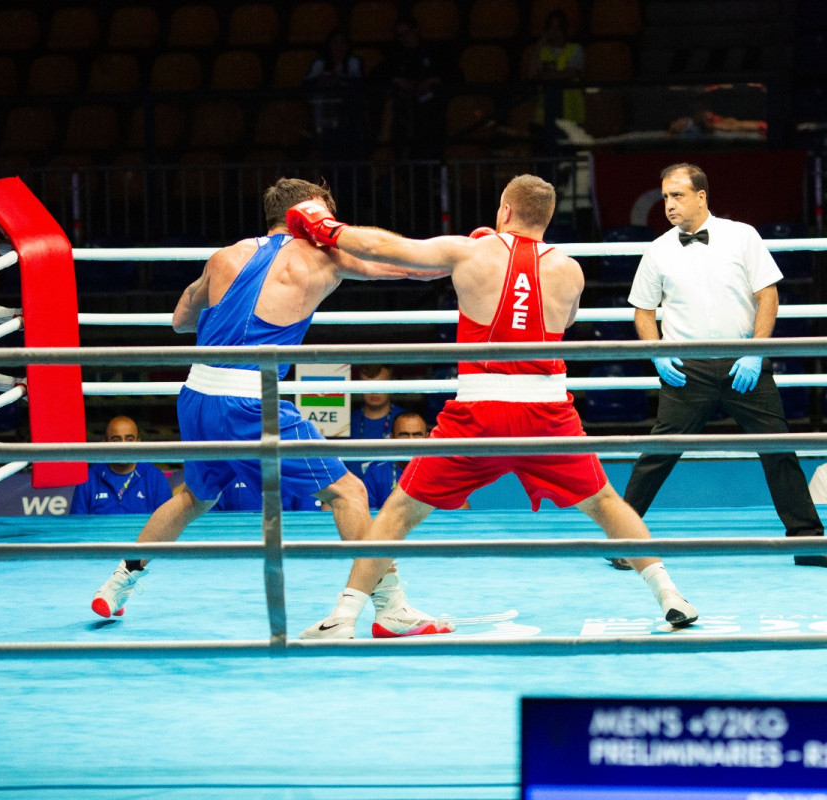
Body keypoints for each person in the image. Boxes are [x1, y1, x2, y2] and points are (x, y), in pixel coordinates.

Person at [287, 173, 699, 639]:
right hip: (546, 414)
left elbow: (390, 249)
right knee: (606, 502)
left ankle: (343, 619)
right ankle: (670, 594)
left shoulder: (473, 251)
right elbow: (564, 320)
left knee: (399, 511)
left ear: (504, 210)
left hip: (479, 415)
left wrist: (326, 229)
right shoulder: (570, 269)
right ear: (547, 218)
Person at [90, 177, 447, 630]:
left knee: (195, 497)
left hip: (198, 394)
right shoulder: (323, 255)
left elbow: (181, 320)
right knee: (348, 492)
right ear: (314, 216)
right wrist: (467, 254)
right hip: (249, 401)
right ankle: (389, 606)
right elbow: (416, 267)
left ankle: (118, 582)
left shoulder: (225, 256)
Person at [619, 162, 827, 570]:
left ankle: (808, 542)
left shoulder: (742, 236)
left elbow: (768, 296)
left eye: (677, 195)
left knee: (779, 450)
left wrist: (756, 352)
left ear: (701, 196)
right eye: (665, 197)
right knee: (658, 454)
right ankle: (623, 542)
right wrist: (656, 352)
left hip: (744, 361)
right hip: (687, 367)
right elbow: (643, 310)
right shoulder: (658, 249)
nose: (669, 205)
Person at [69, 415, 173, 515]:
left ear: (138, 443)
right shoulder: (89, 478)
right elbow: (76, 526)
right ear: (105, 444)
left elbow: (168, 522)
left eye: (129, 439)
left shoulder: (155, 477)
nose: (123, 446)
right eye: (116, 440)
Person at [377, 15, 445, 159]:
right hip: (404, 121)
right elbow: (378, 75)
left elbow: (451, 74)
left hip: (431, 117)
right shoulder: (395, 55)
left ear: (416, 31)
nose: (403, 38)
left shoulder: (432, 51)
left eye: (406, 33)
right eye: (399, 35)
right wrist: (397, 81)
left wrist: (431, 81)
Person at [522, 9, 585, 147]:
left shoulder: (575, 49)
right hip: (543, 117)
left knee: (568, 162)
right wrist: (539, 46)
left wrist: (544, 76)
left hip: (570, 116)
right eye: (551, 26)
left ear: (565, 29)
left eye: (558, 27)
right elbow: (532, 75)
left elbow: (570, 74)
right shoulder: (542, 51)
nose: (555, 31)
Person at [303, 29, 365, 160]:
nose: (339, 47)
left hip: (350, 118)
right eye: (335, 43)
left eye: (342, 43)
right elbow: (307, 84)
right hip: (324, 117)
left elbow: (360, 83)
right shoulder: (320, 64)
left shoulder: (353, 62)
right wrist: (322, 81)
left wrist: (339, 79)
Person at [350, 364, 404, 440]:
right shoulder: (347, 421)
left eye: (380, 385)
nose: (374, 391)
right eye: (368, 385)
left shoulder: (405, 420)